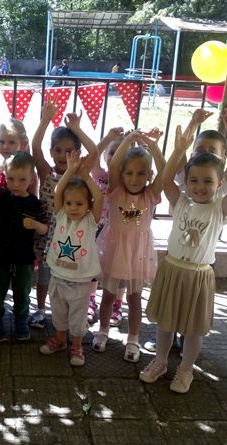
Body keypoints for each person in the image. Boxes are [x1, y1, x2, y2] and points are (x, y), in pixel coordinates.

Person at [141, 120, 227, 394]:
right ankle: (160, 362)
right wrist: (179, 150)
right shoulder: (180, 202)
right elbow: (165, 180)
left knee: (194, 329)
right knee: (165, 323)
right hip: (172, 269)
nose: (200, 186)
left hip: (199, 275)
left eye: (208, 181)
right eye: (194, 180)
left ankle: (186, 368)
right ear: (185, 182)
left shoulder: (220, 209)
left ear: (219, 183)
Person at [95, 129, 166, 363]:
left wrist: (152, 145)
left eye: (141, 173)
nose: (134, 178)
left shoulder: (150, 194)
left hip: (138, 254)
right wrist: (128, 139)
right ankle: (103, 331)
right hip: (115, 250)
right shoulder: (116, 191)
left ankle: (133, 339)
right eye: (129, 173)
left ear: (149, 175)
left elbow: (165, 170)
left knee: (134, 299)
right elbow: (114, 164)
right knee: (108, 295)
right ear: (121, 174)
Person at [29, 96, 99, 329]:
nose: (62, 155)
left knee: (70, 278)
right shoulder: (46, 172)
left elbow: (94, 151)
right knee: (45, 276)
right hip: (47, 233)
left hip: (73, 235)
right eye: (58, 150)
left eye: (69, 151)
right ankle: (41, 310)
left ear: (77, 153)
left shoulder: (79, 175)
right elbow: (35, 147)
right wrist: (45, 120)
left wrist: (77, 128)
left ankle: (71, 314)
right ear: (51, 152)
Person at [40, 151, 103, 366]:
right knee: (58, 312)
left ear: (88, 205)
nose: (73, 208)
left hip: (80, 281)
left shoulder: (90, 221)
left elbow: (99, 197)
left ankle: (77, 345)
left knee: (78, 316)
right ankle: (60, 340)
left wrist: (85, 177)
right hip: (58, 276)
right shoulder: (61, 216)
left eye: (79, 203)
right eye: (69, 203)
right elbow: (58, 191)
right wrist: (70, 171)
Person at [0, 148, 48, 342]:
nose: (16, 184)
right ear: (5, 176)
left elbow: (44, 228)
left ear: (31, 179)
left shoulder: (35, 203)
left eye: (22, 179)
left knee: (23, 293)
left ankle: (21, 320)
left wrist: (36, 224)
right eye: (11, 179)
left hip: (24, 258)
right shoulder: (3, 195)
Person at [0, 118, 30, 316]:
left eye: (11, 142)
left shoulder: (27, 172)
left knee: (12, 268)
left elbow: (32, 200)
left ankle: (17, 307)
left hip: (15, 228)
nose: (5, 146)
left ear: (22, 144)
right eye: (2, 142)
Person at [90, 127, 128, 325]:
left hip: (119, 232)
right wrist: (108, 138)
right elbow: (92, 157)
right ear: (105, 156)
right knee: (93, 266)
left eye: (122, 153)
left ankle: (117, 305)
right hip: (97, 229)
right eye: (112, 152)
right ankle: (90, 300)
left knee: (118, 269)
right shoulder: (99, 175)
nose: (116, 157)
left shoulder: (128, 181)